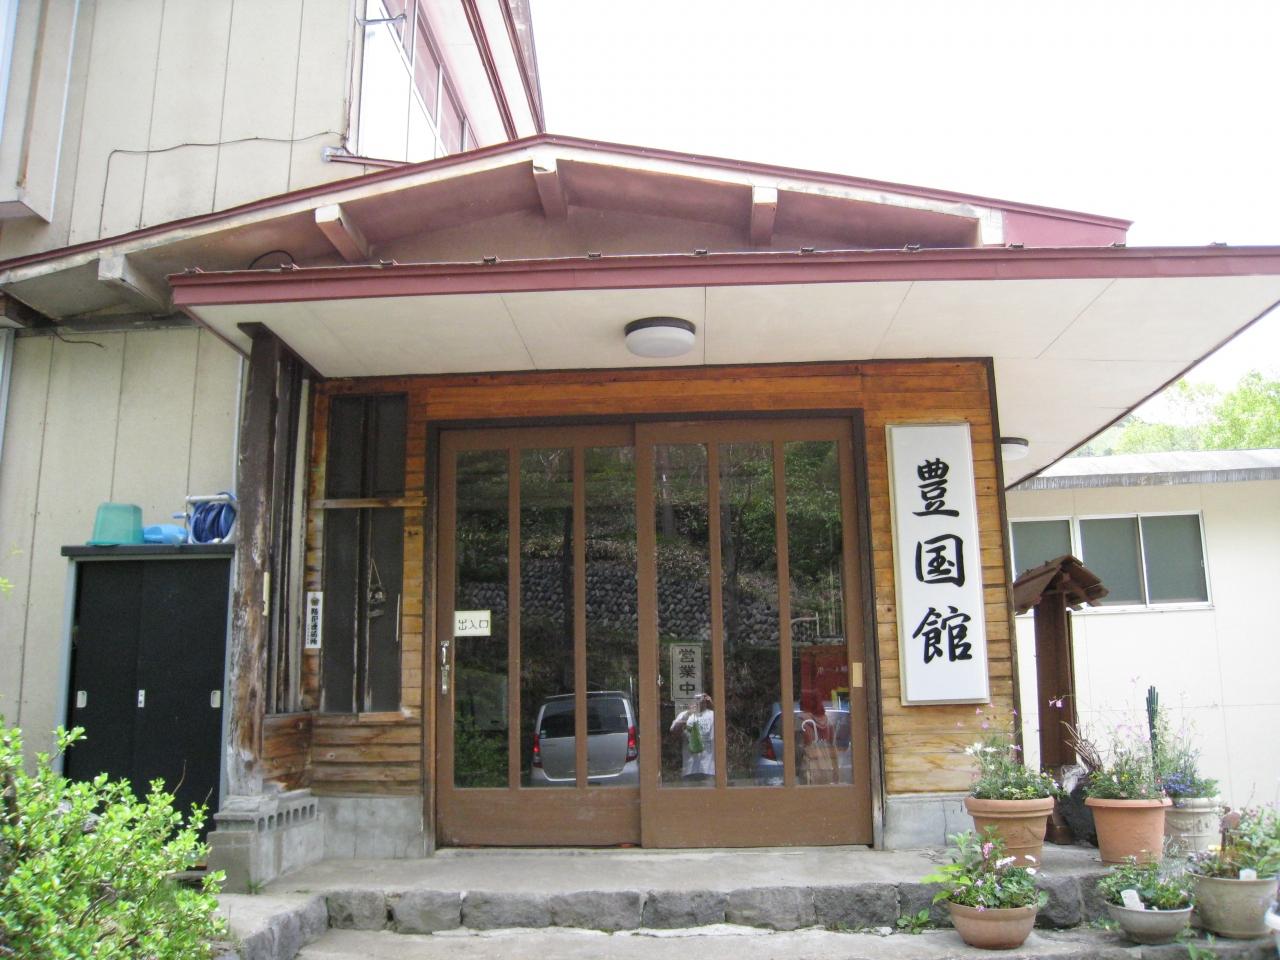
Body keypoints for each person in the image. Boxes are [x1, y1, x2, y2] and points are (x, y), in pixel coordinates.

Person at [670, 692, 715, 782]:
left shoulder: (713, 714)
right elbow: (674, 732)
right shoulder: (684, 715)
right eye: (696, 699)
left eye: (701, 698)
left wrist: (712, 704)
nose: (698, 701)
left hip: (708, 768)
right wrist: (688, 714)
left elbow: (724, 728)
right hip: (689, 769)